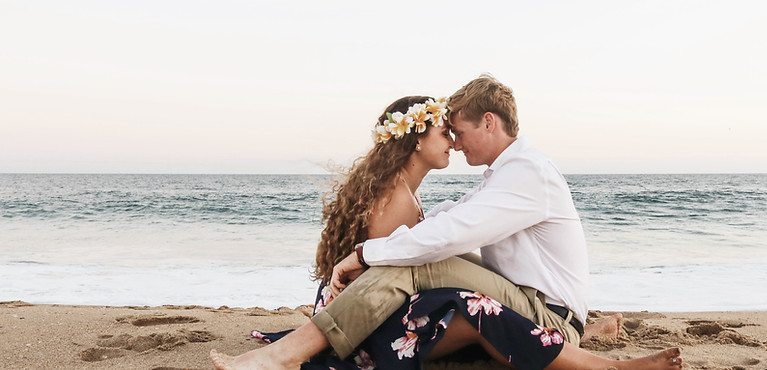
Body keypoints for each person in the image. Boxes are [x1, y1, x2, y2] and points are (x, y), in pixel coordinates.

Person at [211, 77, 683, 369]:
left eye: (459, 131)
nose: (455, 143)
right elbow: (449, 217)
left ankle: (282, 357)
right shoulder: (505, 175)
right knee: (425, 257)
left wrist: (362, 255)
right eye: (448, 133)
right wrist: (375, 252)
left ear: (490, 123)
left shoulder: (526, 173)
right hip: (542, 305)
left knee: (420, 262)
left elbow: (452, 232)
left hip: (546, 314)